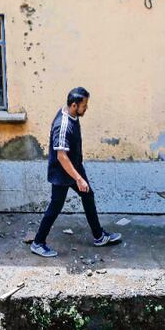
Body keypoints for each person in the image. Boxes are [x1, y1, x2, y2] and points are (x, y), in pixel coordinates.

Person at [29, 87, 121, 257]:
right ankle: (38, 243)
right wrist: (78, 178)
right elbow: (61, 156)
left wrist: (78, 174)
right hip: (62, 173)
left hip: (74, 167)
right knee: (55, 207)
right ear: (74, 105)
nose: (86, 108)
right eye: (84, 106)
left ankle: (99, 236)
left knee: (88, 195)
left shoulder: (72, 114)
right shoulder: (63, 125)